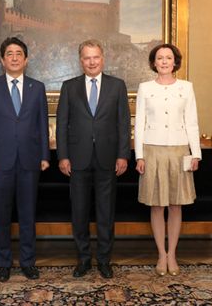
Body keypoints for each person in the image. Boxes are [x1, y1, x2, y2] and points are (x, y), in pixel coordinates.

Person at [56, 39, 131, 279]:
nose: (91, 61)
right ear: (81, 61)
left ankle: (105, 260)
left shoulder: (117, 86)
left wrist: (123, 155)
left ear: (102, 58)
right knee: (79, 213)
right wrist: (63, 156)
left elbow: (123, 124)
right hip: (77, 160)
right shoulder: (69, 86)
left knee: (105, 213)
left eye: (95, 57)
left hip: (108, 159)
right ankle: (84, 259)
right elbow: (62, 125)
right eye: (87, 57)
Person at [0, 37, 50, 282]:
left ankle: (28, 262)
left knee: (28, 214)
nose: (14, 57)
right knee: (2, 215)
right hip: (0, 160)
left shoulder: (37, 87)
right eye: (9, 53)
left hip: (30, 160)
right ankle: (3, 263)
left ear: (26, 59)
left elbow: (42, 123)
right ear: (2, 60)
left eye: (19, 53)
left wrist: (44, 155)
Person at [134, 43, 201, 276]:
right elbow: (139, 123)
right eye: (159, 58)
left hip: (179, 150)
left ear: (175, 62)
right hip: (152, 150)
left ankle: (172, 254)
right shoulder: (145, 88)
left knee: (175, 204)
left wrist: (196, 153)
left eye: (168, 57)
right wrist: (139, 155)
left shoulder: (186, 87)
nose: (164, 61)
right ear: (154, 63)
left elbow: (192, 122)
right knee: (157, 204)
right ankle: (160, 255)